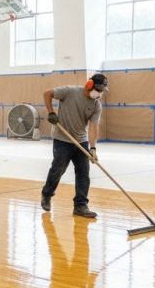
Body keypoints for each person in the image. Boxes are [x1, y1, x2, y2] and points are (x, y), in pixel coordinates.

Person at [40, 73, 108, 218]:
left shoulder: (96, 105)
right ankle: (46, 194)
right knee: (58, 168)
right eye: (98, 90)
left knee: (83, 172)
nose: (100, 94)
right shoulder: (70, 92)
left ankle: (80, 206)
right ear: (89, 85)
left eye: (102, 91)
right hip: (62, 139)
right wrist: (51, 112)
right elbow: (47, 93)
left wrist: (93, 148)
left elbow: (93, 127)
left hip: (81, 141)